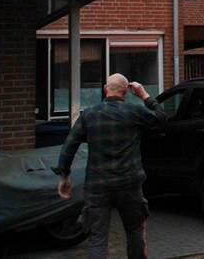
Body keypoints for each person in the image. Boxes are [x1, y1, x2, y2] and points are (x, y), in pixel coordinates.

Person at [54, 73, 166, 259]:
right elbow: (161, 118)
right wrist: (144, 94)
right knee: (134, 232)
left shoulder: (89, 114)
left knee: (97, 238)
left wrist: (64, 175)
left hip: (98, 184)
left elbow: (69, 146)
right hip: (129, 183)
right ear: (126, 92)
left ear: (106, 89)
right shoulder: (134, 112)